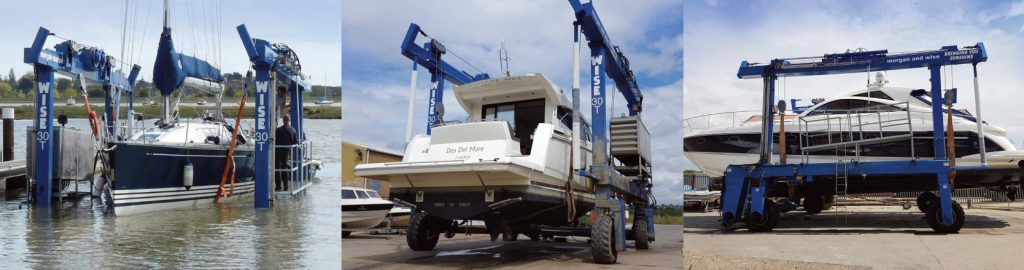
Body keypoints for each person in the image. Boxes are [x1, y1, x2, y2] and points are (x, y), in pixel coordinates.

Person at [275, 114, 298, 191]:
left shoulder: (278, 130)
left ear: (283, 120)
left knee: (277, 168)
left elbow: (274, 140)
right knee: (284, 167)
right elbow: (295, 142)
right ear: (289, 120)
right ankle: (286, 186)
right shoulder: (293, 130)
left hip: (278, 151)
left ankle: (278, 186)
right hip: (287, 151)